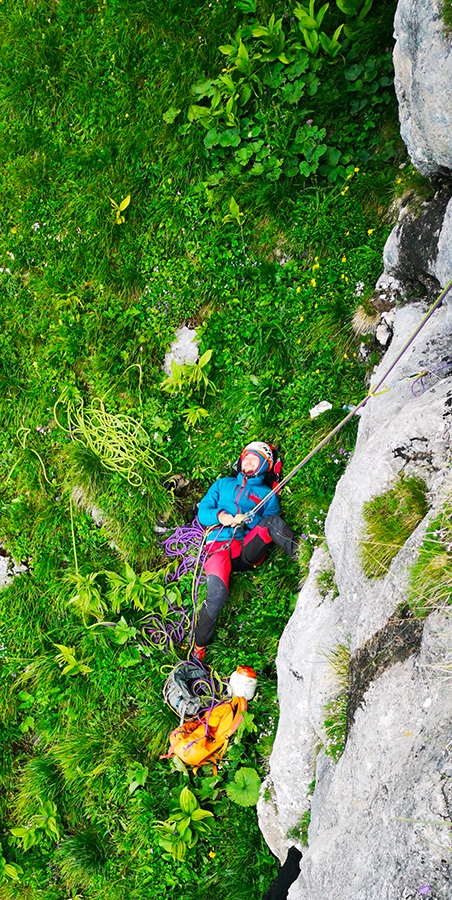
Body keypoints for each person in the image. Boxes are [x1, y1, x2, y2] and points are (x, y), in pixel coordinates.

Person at [193, 442, 299, 660]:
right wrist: (223, 517)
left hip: (244, 550)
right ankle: (199, 646)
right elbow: (203, 512)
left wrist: (250, 520)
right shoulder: (223, 485)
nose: (248, 462)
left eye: (255, 459)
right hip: (219, 549)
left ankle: (304, 555)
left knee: (271, 522)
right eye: (247, 458)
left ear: (265, 466)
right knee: (217, 595)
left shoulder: (267, 495)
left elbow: (268, 523)